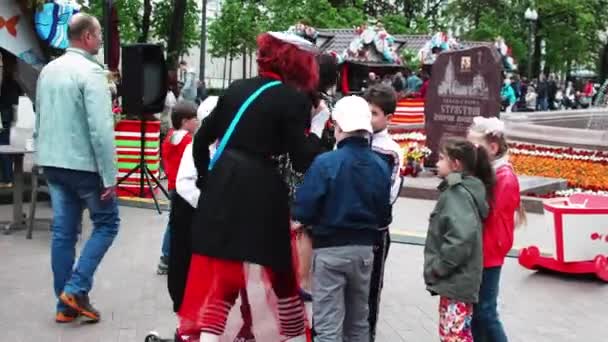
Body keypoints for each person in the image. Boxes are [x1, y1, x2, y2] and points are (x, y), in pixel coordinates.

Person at [176, 31, 330, 342]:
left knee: (224, 273)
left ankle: (209, 337)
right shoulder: (293, 99)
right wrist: (318, 126)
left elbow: (202, 140)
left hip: (222, 185)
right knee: (280, 270)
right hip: (261, 190)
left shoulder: (236, 89)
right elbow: (301, 161)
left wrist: (208, 182)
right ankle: (293, 334)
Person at [35, 13, 119, 324]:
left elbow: (41, 114)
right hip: (84, 166)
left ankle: (65, 306)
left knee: (64, 233)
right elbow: (100, 129)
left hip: (53, 162)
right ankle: (75, 288)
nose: (100, 41)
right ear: (86, 37)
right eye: (98, 36)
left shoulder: (49, 70)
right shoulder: (91, 72)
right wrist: (110, 175)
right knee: (108, 224)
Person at [293, 95, 392, 342]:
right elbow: (384, 215)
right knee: (358, 323)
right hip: (365, 252)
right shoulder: (380, 165)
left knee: (328, 326)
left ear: (338, 128)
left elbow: (303, 210)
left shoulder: (326, 163)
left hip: (329, 249)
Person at [423, 137, 493, 342]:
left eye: (442, 158)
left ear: (456, 165)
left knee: (454, 336)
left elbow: (460, 239)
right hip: (459, 281)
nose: (437, 162)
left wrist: (438, 267)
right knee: (456, 333)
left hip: (456, 279)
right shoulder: (464, 190)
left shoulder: (457, 194)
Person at [468, 117, 524, 342]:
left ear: (492, 148)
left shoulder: (504, 177)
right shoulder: (488, 172)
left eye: (475, 147)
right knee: (477, 312)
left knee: (486, 312)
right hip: (480, 251)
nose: (471, 151)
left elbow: (486, 213)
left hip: (489, 252)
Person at [364, 85, 403, 342]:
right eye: (366, 111)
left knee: (370, 291)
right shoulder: (348, 139)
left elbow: (389, 194)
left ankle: (368, 334)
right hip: (345, 229)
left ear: (388, 118)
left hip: (374, 231)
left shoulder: (391, 151)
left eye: (374, 113)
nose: (368, 118)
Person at [157, 101, 199, 275]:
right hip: (182, 187)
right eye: (194, 118)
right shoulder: (187, 140)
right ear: (184, 121)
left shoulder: (170, 136)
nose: (197, 121)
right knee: (175, 223)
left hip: (174, 185)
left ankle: (166, 257)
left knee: (173, 222)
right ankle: (166, 258)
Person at [0, 49, 21, 188]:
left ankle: (7, 178)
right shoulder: (13, 75)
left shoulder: (5, 74)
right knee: (5, 143)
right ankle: (7, 177)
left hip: (3, 110)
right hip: (9, 109)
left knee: (3, 144)